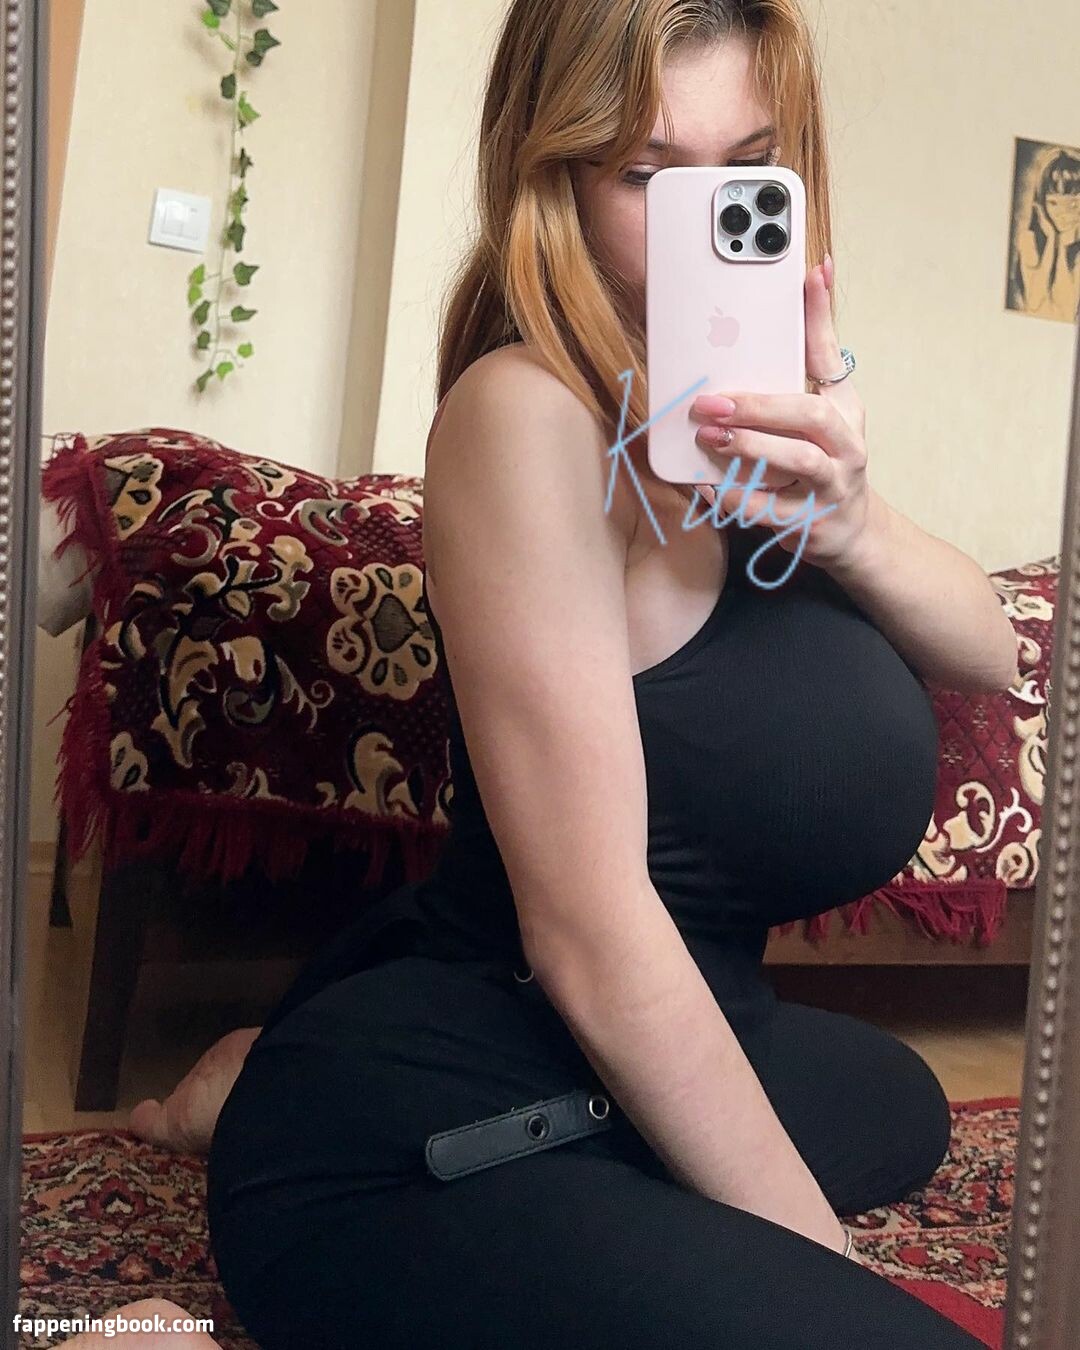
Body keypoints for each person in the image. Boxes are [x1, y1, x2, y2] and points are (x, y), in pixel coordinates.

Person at [198, 2, 1019, 1346]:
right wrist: (828, 1278)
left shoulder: (754, 441)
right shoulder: (527, 415)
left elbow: (993, 652)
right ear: (557, 181)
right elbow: (590, 935)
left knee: (899, 1103)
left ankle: (253, 1072)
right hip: (447, 1086)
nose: (705, 222)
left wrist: (850, 519)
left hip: (685, 1019)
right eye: (648, 174)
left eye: (747, 168)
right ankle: (269, 1108)